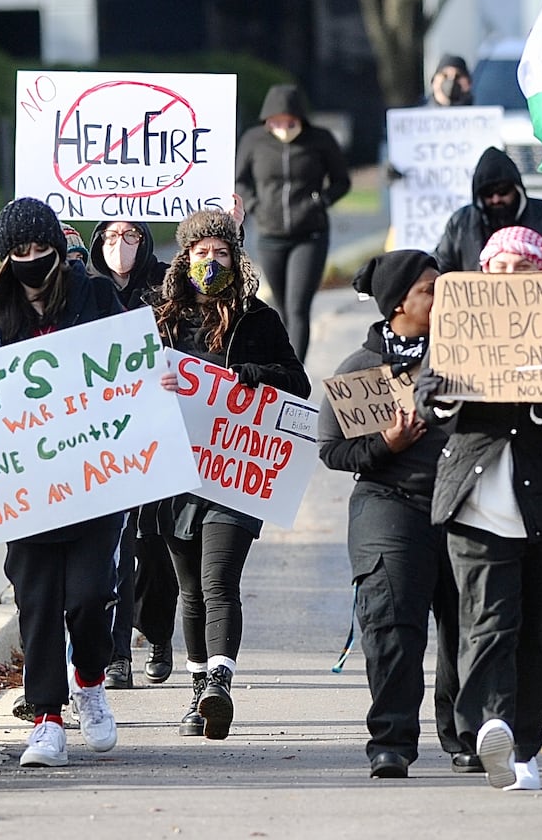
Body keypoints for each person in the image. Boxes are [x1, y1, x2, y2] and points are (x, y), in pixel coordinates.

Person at [418, 225, 542, 791]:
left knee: (535, 627)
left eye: (522, 270)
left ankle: (524, 746)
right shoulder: (458, 324)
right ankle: (491, 724)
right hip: (475, 499)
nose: (509, 280)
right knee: (488, 622)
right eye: (498, 269)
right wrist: (453, 390)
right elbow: (428, 398)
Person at [0, 196, 126, 768]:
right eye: (19, 251)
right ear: (5, 258)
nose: (31, 260)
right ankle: (47, 719)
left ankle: (90, 679)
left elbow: (128, 366)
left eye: (40, 249)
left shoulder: (96, 297)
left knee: (88, 596)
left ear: (59, 249)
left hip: (93, 483)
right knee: (36, 602)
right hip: (23, 491)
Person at [154, 210, 311, 740]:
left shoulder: (257, 319)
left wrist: (251, 375)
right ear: (186, 258)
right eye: (202, 253)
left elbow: (299, 383)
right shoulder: (162, 319)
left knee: (221, 581)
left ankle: (220, 679)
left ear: (236, 257)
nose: (211, 261)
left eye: (221, 253)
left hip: (234, 472)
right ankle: (197, 692)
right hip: (177, 474)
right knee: (190, 590)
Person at [318, 249, 463, 778]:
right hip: (390, 507)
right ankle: (392, 741)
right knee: (393, 624)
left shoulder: (469, 356)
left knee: (468, 627)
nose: (442, 296)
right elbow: (333, 452)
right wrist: (387, 443)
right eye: (430, 289)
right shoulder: (362, 369)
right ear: (400, 301)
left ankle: (465, 734)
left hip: (464, 506)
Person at [88, 218, 177, 687]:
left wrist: (233, 232)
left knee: (154, 541)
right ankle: (116, 652)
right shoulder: (84, 287)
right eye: (109, 236)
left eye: (131, 236)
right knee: (116, 547)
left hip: (158, 430)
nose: (119, 246)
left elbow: (226, 296)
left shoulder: (167, 282)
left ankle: (157, 631)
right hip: (105, 435)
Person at [234, 84, 350, 360]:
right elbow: (241, 179)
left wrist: (320, 201)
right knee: (282, 308)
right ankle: (282, 364)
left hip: (309, 235)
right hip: (269, 234)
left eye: (290, 122)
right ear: (266, 120)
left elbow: (342, 181)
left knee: (298, 308)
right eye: (276, 122)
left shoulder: (320, 140)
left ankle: (295, 374)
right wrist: (254, 206)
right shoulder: (253, 141)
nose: (284, 128)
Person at [433, 146, 542, 273]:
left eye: (503, 192)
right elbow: (443, 269)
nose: (496, 199)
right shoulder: (461, 223)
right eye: (488, 193)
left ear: (516, 190)